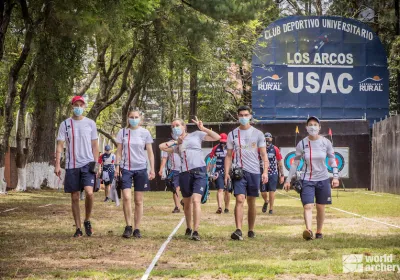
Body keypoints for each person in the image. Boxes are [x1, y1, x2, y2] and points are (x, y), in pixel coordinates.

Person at [159, 117, 220, 241]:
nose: (175, 127)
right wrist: (177, 142)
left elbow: (216, 137)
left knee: (196, 200)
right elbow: (161, 147)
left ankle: (196, 231)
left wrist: (203, 128)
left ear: (184, 126)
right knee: (187, 202)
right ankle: (188, 227)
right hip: (184, 173)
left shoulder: (196, 135)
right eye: (173, 126)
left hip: (199, 171)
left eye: (177, 125)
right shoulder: (177, 144)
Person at [283, 116, 340, 240]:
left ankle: (319, 232)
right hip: (307, 180)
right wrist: (288, 180)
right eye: (310, 124)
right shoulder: (302, 143)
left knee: (320, 207)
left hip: (323, 179)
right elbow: (295, 163)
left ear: (319, 127)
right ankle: (308, 231)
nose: (313, 127)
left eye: (315, 124)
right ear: (306, 128)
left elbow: (332, 160)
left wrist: (335, 176)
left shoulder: (326, 142)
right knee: (308, 206)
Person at [55, 96, 99, 237]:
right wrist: (57, 164)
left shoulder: (90, 123)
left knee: (90, 193)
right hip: (71, 164)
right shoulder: (65, 124)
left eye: (81, 105)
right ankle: (78, 228)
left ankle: (87, 220)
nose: (78, 107)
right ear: (72, 107)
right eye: (76, 105)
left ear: (84, 106)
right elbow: (60, 145)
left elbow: (95, 145)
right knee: (74, 197)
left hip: (87, 163)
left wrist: (96, 164)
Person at [224, 105, 269, 240]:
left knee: (251, 201)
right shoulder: (232, 134)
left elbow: (263, 154)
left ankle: (251, 229)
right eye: (241, 115)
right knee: (239, 199)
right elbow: (229, 155)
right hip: (239, 172)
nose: (243, 117)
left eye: (246, 115)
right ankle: (238, 230)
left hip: (254, 171)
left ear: (250, 116)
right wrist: (226, 172)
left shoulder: (258, 134)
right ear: (237, 117)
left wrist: (265, 171)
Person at [115, 109, 155, 239]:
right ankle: (128, 226)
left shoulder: (145, 133)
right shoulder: (122, 132)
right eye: (131, 117)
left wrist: (152, 169)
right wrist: (117, 166)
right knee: (126, 197)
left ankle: (137, 228)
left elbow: (150, 152)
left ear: (140, 119)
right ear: (127, 118)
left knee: (138, 200)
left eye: (136, 117)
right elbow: (119, 151)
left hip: (141, 169)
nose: (133, 119)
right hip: (126, 168)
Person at [260, 132, 284, 214]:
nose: (267, 140)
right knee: (263, 191)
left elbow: (280, 162)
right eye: (265, 139)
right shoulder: (259, 148)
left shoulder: (275, 149)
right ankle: (266, 201)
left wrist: (282, 175)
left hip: (273, 172)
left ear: (271, 139)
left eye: (269, 139)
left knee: (272, 191)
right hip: (262, 172)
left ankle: (271, 209)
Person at [159, 135, 182, 213]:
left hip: (185, 169)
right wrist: (161, 169)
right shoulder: (170, 144)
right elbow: (164, 158)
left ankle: (185, 201)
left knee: (187, 189)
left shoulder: (186, 142)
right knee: (175, 188)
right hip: (174, 170)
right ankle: (177, 206)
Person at [210, 133, 231, 214]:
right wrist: (210, 172)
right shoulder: (215, 148)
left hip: (227, 172)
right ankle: (220, 207)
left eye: (224, 142)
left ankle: (227, 208)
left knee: (227, 191)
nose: (223, 143)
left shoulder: (229, 148)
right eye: (221, 142)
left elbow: (232, 159)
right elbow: (210, 159)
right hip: (218, 172)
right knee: (220, 189)